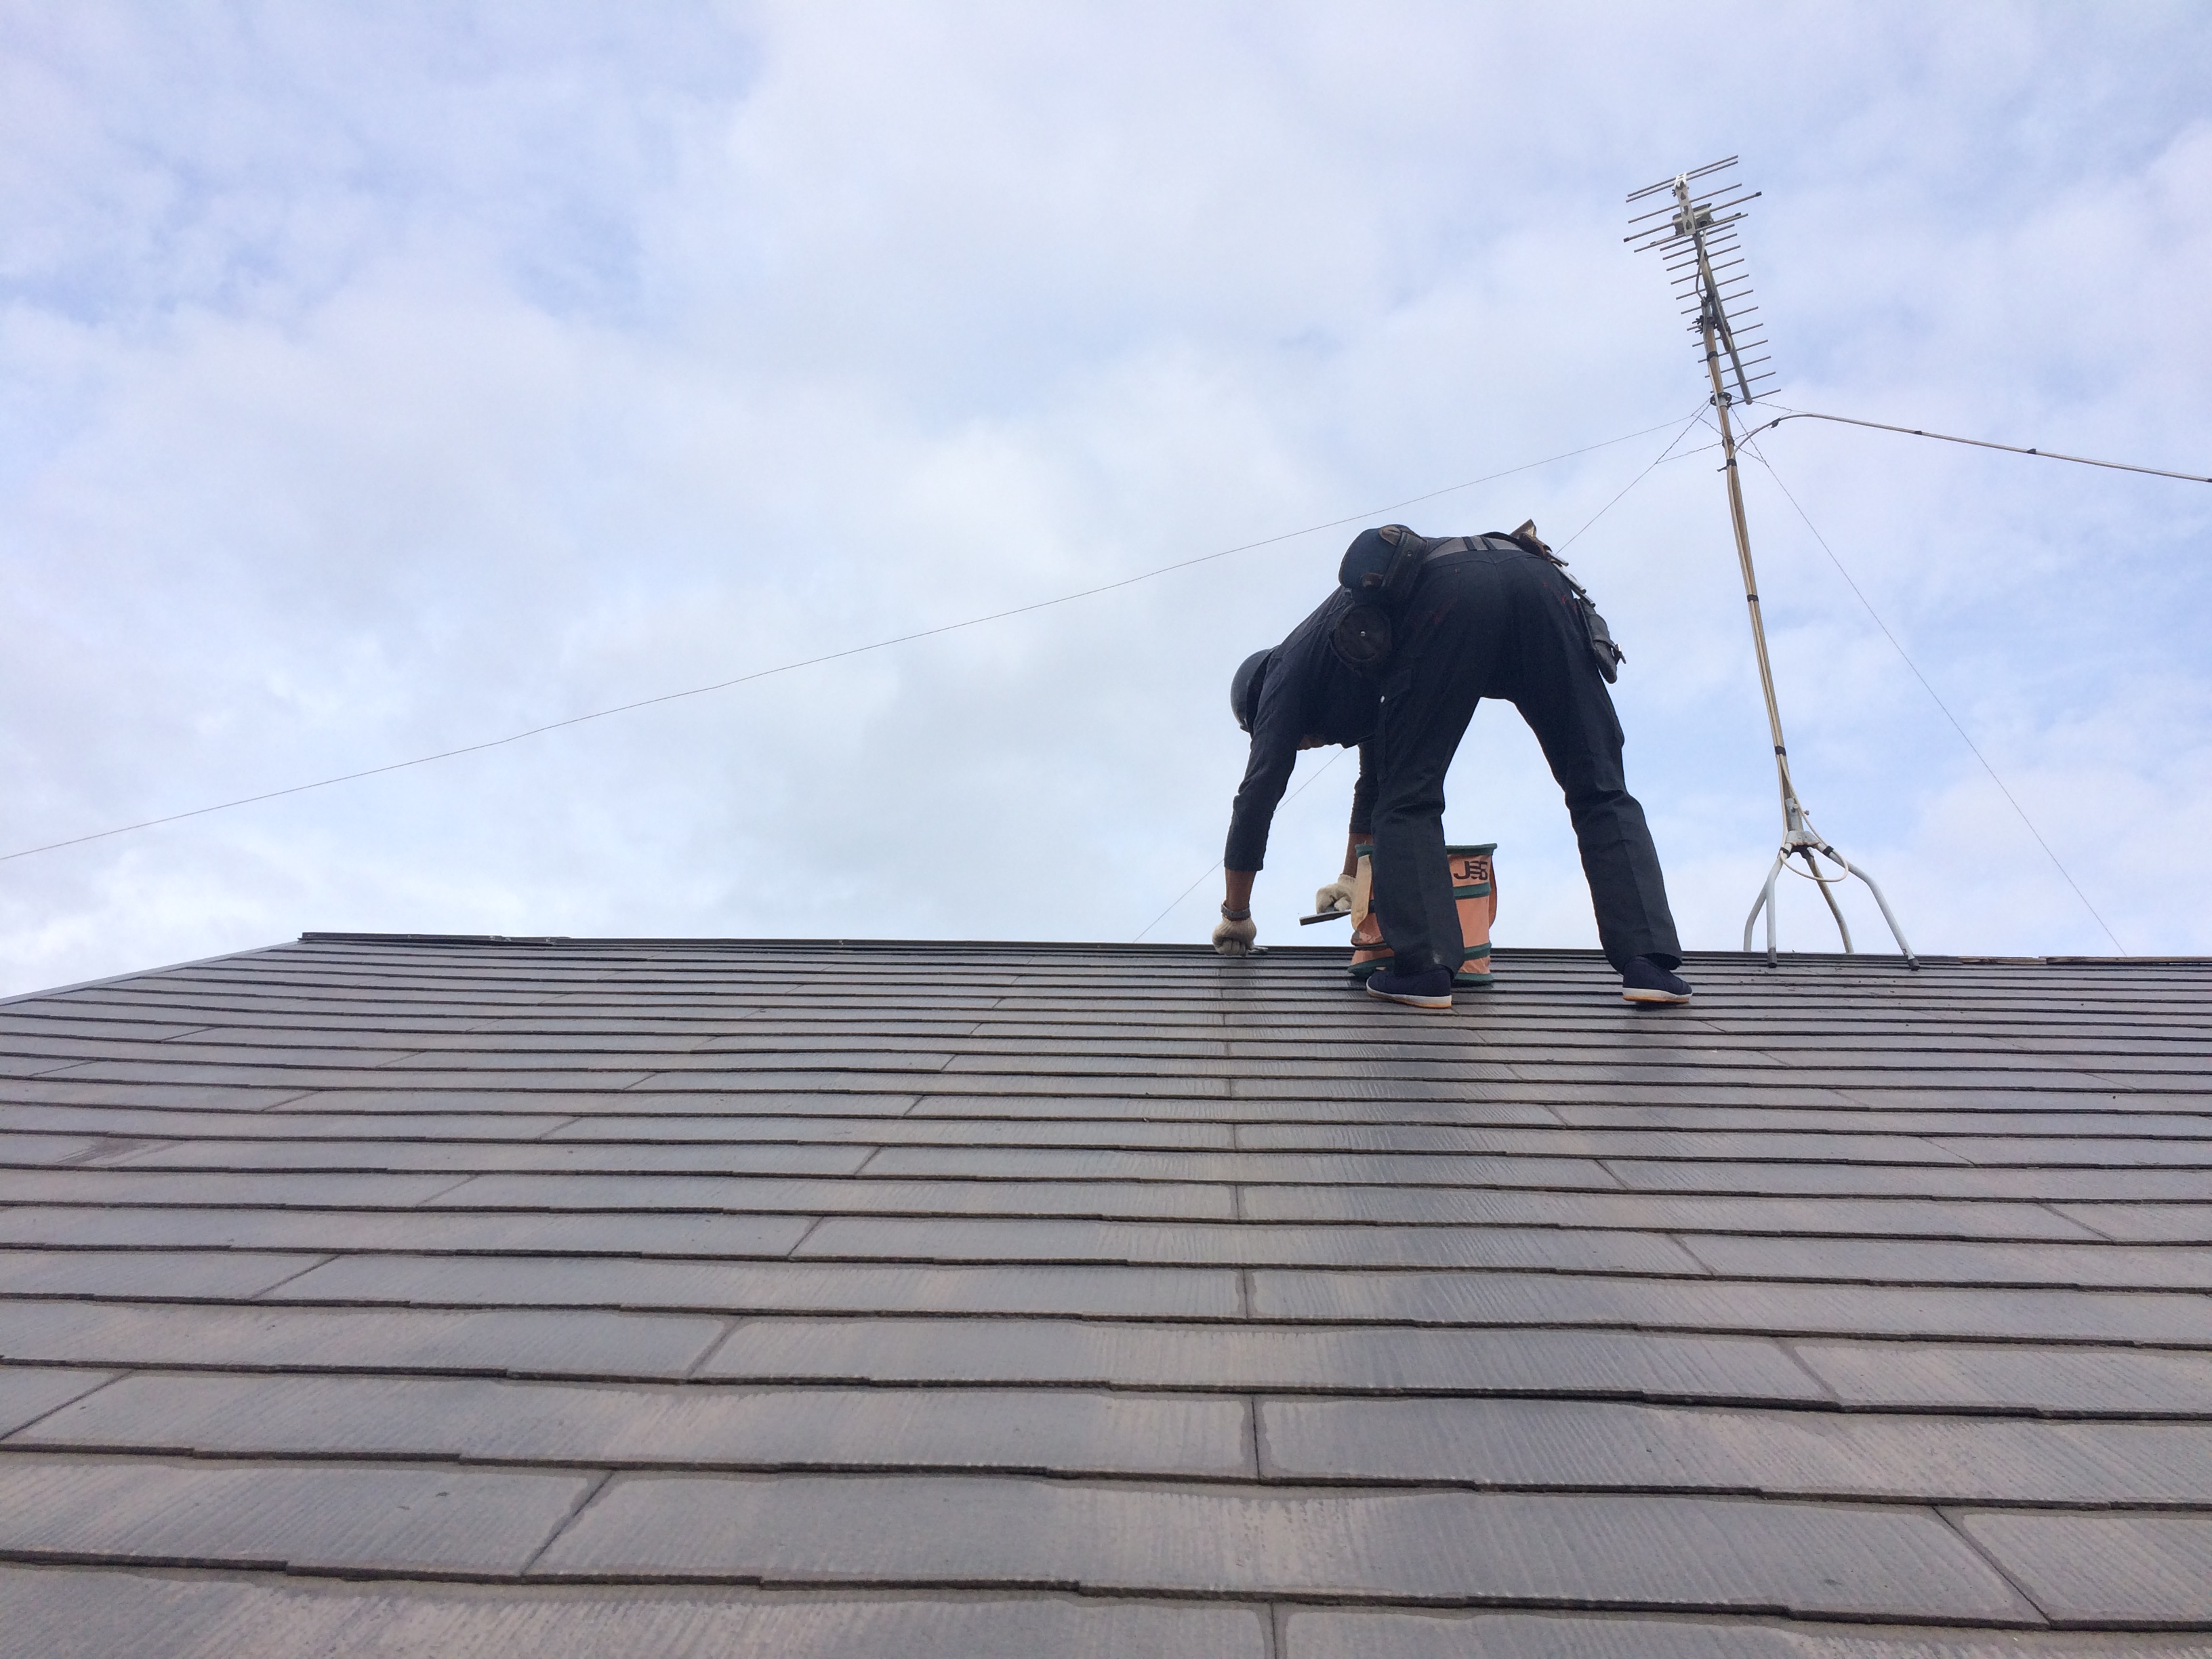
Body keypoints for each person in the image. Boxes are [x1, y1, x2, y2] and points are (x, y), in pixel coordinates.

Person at [1214, 523, 1692, 1010]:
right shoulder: (1348, 663)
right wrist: (1351, 880)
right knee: (1599, 784)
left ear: (1257, 708)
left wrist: (1237, 915)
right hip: (1538, 583)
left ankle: (1425, 969)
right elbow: (1372, 783)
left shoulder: (1279, 674)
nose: (1309, 746)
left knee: (1411, 797)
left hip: (1452, 593)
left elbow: (1258, 793)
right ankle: (1649, 965)